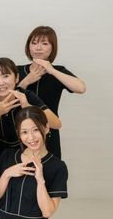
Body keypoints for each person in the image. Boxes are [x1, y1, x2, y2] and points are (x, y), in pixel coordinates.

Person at [0, 57, 61, 219]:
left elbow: (56, 123)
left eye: (6, 76)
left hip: (24, 153)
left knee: (26, 196)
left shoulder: (26, 95)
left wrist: (27, 106)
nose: (1, 82)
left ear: (16, 78)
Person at [16, 26, 86, 157]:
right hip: (20, 132)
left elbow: (81, 88)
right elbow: (6, 98)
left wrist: (52, 70)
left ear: (52, 48)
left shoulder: (58, 71)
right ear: (28, 47)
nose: (38, 48)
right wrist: (26, 81)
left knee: (50, 167)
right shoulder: (17, 70)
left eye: (44, 43)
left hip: (49, 131)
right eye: (34, 43)